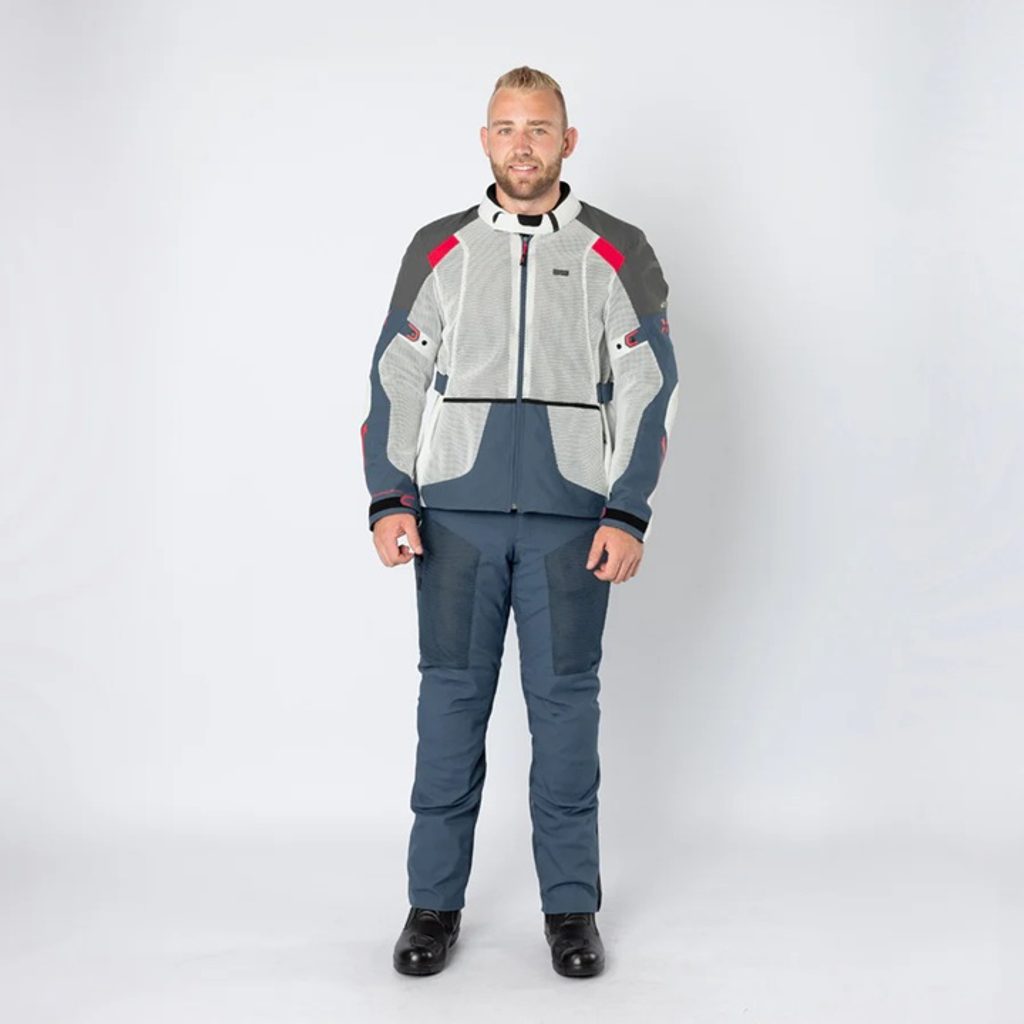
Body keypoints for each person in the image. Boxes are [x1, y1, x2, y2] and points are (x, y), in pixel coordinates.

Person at [360, 65, 679, 979]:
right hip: (454, 523)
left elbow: (651, 383)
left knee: (565, 717)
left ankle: (571, 911)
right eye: (506, 128)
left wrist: (627, 511)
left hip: (570, 526)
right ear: (485, 139)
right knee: (449, 713)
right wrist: (389, 496)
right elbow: (396, 371)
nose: (522, 144)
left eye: (539, 128)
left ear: (567, 141)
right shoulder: (440, 246)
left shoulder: (619, 248)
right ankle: (432, 906)